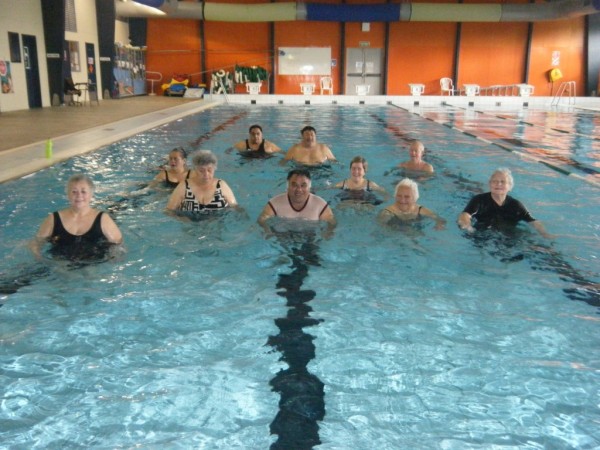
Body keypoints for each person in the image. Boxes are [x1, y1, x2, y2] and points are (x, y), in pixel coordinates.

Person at [31, 174, 123, 261]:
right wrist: (39, 258)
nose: (79, 196)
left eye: (83, 191)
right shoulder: (53, 219)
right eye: (74, 192)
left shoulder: (103, 219)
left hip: (95, 265)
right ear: (68, 194)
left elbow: (118, 244)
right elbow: (36, 243)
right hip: (60, 265)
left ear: (91, 194)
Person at [457, 168, 553, 238]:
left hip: (510, 236)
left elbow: (533, 221)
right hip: (484, 235)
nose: (499, 184)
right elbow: (465, 215)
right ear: (490, 184)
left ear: (510, 187)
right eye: (495, 181)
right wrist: (467, 226)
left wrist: (545, 234)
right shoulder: (479, 200)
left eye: (503, 182)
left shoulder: (516, 205)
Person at [258, 168, 336, 226]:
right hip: (282, 236)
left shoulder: (320, 206)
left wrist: (326, 235)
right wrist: (268, 233)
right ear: (287, 186)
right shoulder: (274, 204)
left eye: (303, 185)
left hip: (310, 237)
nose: (299, 189)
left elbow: (332, 225)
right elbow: (261, 221)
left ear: (310, 187)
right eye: (294, 185)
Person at [166, 149, 237, 212]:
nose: (206, 174)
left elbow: (236, 208)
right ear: (195, 170)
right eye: (201, 170)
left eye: (209, 170)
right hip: (190, 225)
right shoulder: (184, 186)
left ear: (214, 168)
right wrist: (183, 220)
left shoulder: (221, 185)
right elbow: (169, 211)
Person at [378, 178, 445, 230]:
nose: (402, 200)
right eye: (399, 196)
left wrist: (439, 224)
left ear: (415, 198)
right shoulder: (387, 213)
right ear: (395, 196)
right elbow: (380, 227)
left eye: (407, 197)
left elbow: (440, 219)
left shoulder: (421, 210)